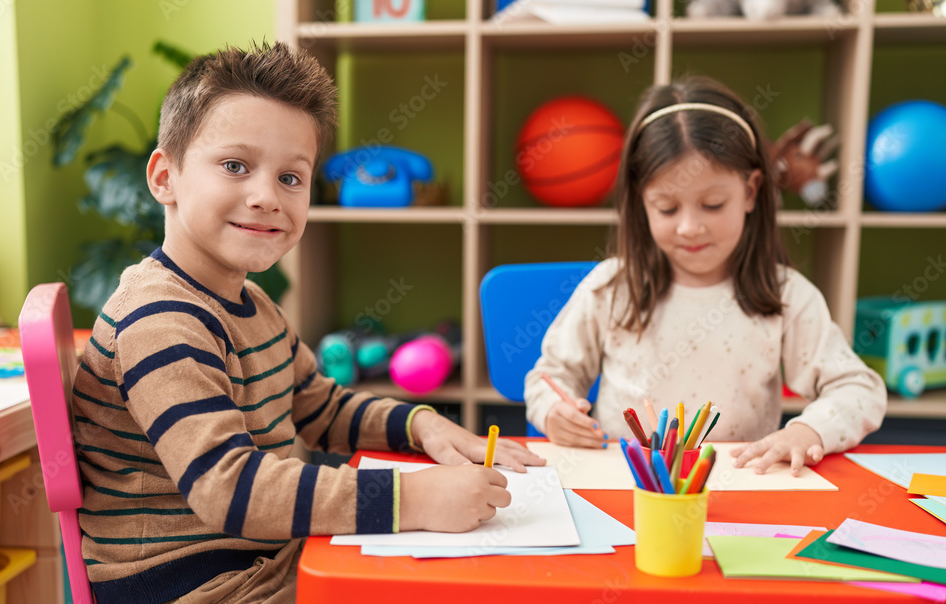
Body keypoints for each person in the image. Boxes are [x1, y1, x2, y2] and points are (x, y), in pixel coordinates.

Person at [71, 41, 543, 604]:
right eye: (235, 166)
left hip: (263, 554)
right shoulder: (159, 318)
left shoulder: (249, 301)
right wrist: (413, 498)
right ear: (163, 177)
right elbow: (229, 487)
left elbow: (319, 405)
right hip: (198, 581)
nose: (267, 197)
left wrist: (424, 427)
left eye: (292, 178)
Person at [524, 75, 886, 477]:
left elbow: (859, 389)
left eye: (712, 204)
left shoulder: (785, 295)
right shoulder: (611, 287)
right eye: (666, 208)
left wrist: (806, 430)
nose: (689, 227)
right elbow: (549, 377)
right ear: (640, 199)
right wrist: (553, 409)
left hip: (741, 487)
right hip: (626, 485)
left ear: (751, 192)